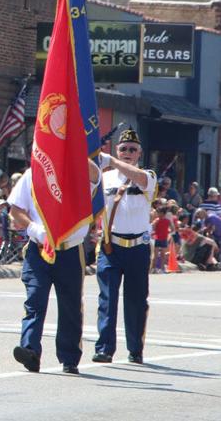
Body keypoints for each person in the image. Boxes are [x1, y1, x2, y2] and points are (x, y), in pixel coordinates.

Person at [9, 158, 101, 374]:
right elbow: (15, 208)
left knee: (70, 304)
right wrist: (33, 228)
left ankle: (69, 358)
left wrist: (74, 148)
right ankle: (30, 351)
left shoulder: (80, 172)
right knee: (35, 299)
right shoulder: (33, 173)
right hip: (39, 247)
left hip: (69, 249)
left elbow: (95, 176)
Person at [93, 128, 156, 365]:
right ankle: (104, 348)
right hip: (111, 246)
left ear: (139, 153)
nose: (127, 152)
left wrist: (113, 162)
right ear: (116, 150)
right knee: (107, 299)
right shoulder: (105, 178)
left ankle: (135, 349)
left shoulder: (147, 175)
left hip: (138, 247)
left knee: (136, 301)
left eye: (132, 149)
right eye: (123, 149)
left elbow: (139, 179)